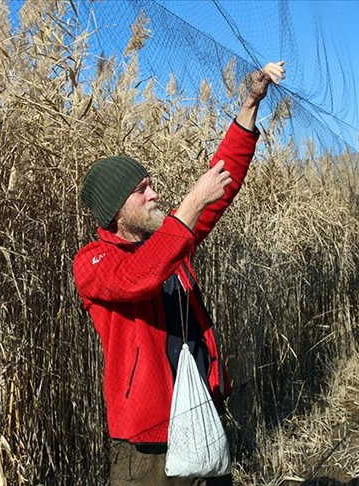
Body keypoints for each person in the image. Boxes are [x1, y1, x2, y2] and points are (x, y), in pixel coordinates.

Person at [73, 61, 285, 485]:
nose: (154, 193)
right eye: (141, 190)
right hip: (148, 443)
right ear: (116, 209)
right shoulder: (93, 261)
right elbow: (139, 278)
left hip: (202, 412)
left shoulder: (169, 242)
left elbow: (222, 182)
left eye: (151, 184)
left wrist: (249, 106)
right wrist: (189, 206)